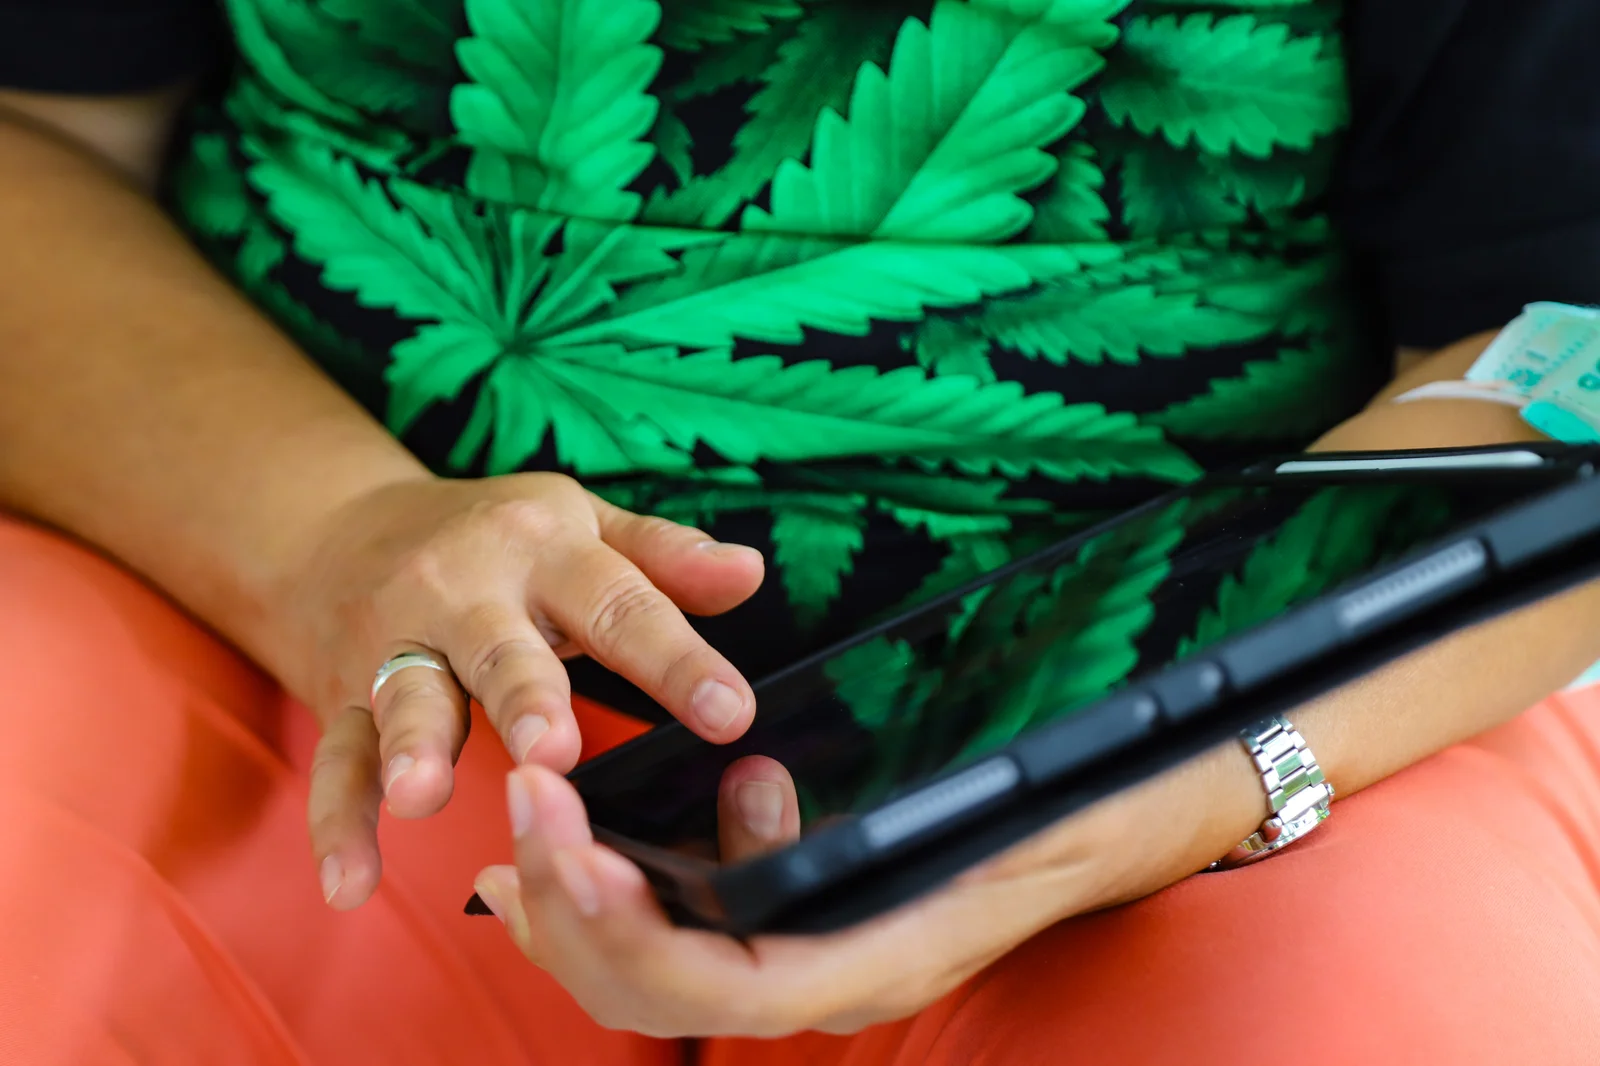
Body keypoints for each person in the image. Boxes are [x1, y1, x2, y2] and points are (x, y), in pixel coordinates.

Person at [3, 0, 1600, 1062]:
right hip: (302, 613)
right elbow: (41, 135)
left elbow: (1561, 352)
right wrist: (329, 531)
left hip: (1216, 710)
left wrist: (1141, 796)